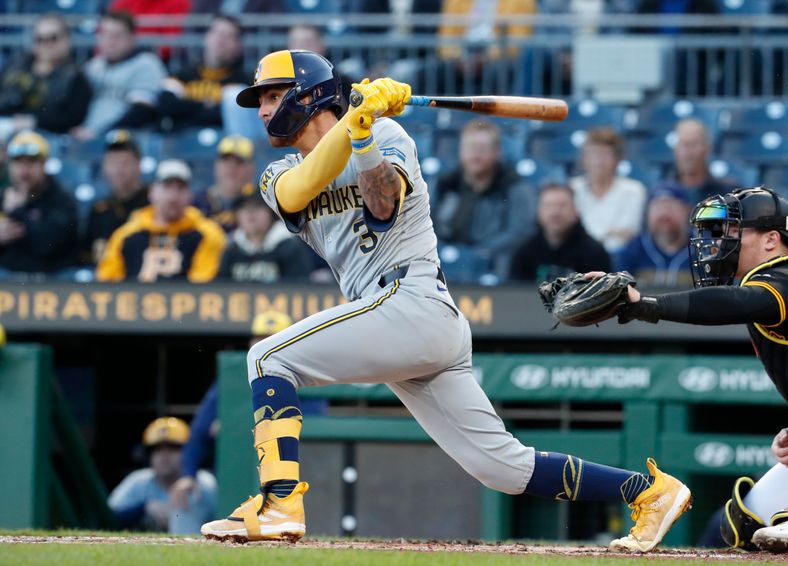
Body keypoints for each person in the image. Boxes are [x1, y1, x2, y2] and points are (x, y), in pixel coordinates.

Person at [198, 49, 691, 552]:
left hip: (411, 299)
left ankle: (279, 503)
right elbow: (301, 190)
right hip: (396, 319)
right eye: (261, 100)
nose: (262, 111)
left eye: (275, 96)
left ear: (309, 95)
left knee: (268, 357)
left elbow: (383, 203)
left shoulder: (388, 135)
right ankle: (649, 491)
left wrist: (364, 134)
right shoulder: (276, 173)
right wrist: (355, 121)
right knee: (502, 467)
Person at [614, 186, 788, 552]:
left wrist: (645, 304)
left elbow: (734, 303)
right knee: (738, 526)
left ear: (772, 240)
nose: (721, 243)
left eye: (734, 232)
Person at [170, 311, 327, 511]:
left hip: (290, 479)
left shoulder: (304, 378)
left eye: (274, 339)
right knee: (189, 493)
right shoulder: (232, 379)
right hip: (233, 478)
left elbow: (316, 437)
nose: (266, 344)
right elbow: (199, 433)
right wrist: (188, 474)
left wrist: (237, 425)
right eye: (261, 338)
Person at [433, 119, 535, 277]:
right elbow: (427, 224)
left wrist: (481, 253)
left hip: (495, 266)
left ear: (497, 152)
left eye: (483, 148)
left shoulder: (514, 187)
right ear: (461, 149)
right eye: (471, 147)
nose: (476, 154)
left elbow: (519, 232)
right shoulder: (444, 185)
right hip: (443, 264)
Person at [96, 159, 226, 283]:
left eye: (180, 188)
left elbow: (203, 289)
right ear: (152, 192)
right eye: (167, 187)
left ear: (189, 195)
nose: (173, 196)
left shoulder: (208, 234)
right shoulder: (126, 235)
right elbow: (108, 284)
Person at [108, 417, 217, 534]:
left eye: (173, 448)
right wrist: (143, 508)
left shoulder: (205, 483)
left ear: (188, 453)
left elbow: (228, 521)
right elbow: (107, 516)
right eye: (158, 449)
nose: (165, 455)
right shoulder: (138, 481)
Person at [73, 10, 167, 140]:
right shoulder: (94, 66)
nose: (110, 42)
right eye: (105, 34)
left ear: (132, 38)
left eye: (117, 36)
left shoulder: (146, 64)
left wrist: (102, 133)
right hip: (90, 138)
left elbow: (142, 113)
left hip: (129, 141)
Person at [0, 130, 79, 278]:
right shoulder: (2, 197)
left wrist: (18, 210)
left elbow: (47, 245)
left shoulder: (62, 200)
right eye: (18, 162)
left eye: (31, 162)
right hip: (6, 283)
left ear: (44, 164)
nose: (24, 170)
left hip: (51, 282)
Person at [0, 13, 91, 134]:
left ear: (67, 39)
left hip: (46, 136)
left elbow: (73, 117)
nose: (46, 44)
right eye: (40, 39)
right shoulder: (15, 66)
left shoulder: (76, 77)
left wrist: (34, 120)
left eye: (53, 38)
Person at [157, 15, 250, 132]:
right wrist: (206, 106)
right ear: (206, 37)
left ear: (238, 46)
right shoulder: (183, 76)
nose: (221, 41)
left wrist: (187, 106)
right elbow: (166, 105)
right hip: (183, 142)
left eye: (229, 36)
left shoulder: (244, 82)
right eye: (218, 33)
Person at [509, 181, 610, 282]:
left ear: (576, 211)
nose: (555, 212)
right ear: (538, 212)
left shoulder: (594, 253)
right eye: (548, 205)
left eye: (562, 205)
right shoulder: (524, 252)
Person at [569, 127, 647, 254]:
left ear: (617, 160)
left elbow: (629, 235)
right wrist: (610, 233)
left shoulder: (634, 191)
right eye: (593, 154)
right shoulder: (572, 189)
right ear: (584, 159)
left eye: (605, 154)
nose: (598, 161)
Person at [83, 130, 149, 265]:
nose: (119, 169)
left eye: (125, 162)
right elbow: (86, 254)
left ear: (138, 166)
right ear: (105, 167)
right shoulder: (99, 210)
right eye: (113, 162)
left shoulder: (154, 203)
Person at [217, 191, 313, 283]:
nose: (250, 213)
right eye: (244, 208)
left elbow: (299, 289)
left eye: (257, 207)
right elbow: (220, 289)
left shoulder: (290, 247)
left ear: (271, 212)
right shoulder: (231, 249)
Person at [614, 182, 694, 288]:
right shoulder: (633, 250)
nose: (665, 213)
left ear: (687, 212)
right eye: (658, 207)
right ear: (647, 214)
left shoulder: (703, 249)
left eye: (672, 207)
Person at [193, 134, 256, 232]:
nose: (232, 167)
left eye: (239, 162)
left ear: (251, 169)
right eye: (226, 160)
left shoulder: (260, 202)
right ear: (216, 166)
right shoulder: (196, 203)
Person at [668, 119, 734, 204]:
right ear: (675, 150)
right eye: (683, 145)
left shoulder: (727, 192)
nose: (688, 153)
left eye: (693, 145)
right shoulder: (662, 194)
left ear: (707, 148)